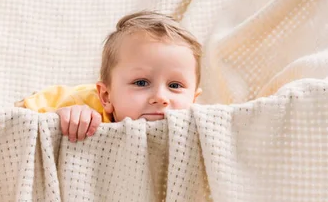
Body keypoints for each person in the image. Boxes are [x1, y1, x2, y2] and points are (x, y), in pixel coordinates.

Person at [17, 11, 202, 142]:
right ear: (106, 96)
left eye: (175, 86)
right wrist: (59, 119)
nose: (161, 97)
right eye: (141, 82)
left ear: (194, 99)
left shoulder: (199, 128)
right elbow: (14, 120)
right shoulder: (82, 102)